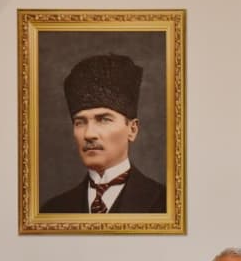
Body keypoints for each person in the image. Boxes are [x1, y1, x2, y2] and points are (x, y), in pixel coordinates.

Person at [39, 53, 166, 213]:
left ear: (132, 129)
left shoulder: (166, 204)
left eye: (104, 119)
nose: (89, 134)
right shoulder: (53, 210)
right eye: (80, 122)